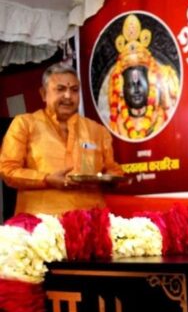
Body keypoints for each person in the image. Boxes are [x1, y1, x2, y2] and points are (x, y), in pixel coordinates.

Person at [0, 62, 124, 216]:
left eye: (74, 90)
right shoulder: (25, 124)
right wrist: (46, 179)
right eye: (60, 89)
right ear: (43, 94)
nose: (68, 96)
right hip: (42, 222)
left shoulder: (97, 130)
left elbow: (112, 169)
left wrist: (110, 179)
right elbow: (8, 169)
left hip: (90, 219)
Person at [97, 13, 180, 141]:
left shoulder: (160, 119)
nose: (136, 90)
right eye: (130, 84)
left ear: (151, 83)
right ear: (121, 89)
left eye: (140, 82)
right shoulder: (117, 126)